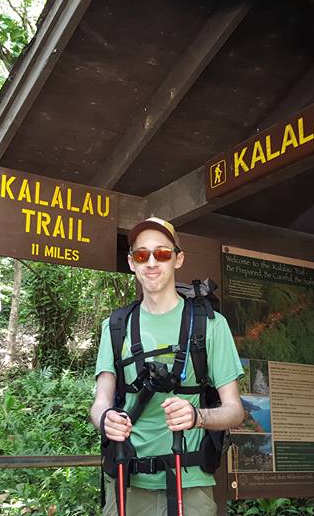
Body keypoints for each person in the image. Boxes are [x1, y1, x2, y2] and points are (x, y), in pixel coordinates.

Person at [90, 217, 244, 516]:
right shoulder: (115, 326)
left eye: (162, 253)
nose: (151, 262)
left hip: (190, 482)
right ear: (132, 263)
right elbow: (99, 404)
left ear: (178, 259)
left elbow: (235, 411)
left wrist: (197, 416)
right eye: (141, 254)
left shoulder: (210, 324)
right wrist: (106, 419)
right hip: (128, 480)